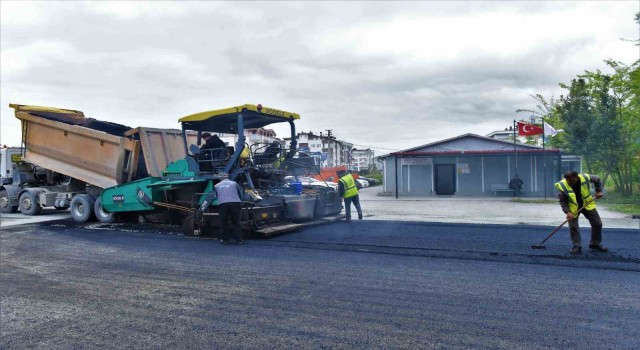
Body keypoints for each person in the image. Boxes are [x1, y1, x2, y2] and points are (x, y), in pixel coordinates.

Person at [555, 171, 607, 254]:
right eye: (568, 181)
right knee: (573, 227)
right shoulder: (562, 185)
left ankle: (595, 243)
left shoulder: (585, 177)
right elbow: (563, 201)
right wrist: (567, 212)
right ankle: (576, 246)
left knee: (597, 223)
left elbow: (597, 179)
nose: (570, 183)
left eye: (572, 181)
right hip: (573, 208)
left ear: (577, 177)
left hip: (587, 204)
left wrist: (598, 191)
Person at [214, 175, 244, 245]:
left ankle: (225, 240)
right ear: (228, 178)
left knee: (223, 222)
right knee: (236, 222)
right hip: (235, 204)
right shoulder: (234, 183)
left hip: (223, 204)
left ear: (220, 179)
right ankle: (239, 240)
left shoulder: (216, 186)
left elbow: (217, 196)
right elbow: (239, 193)